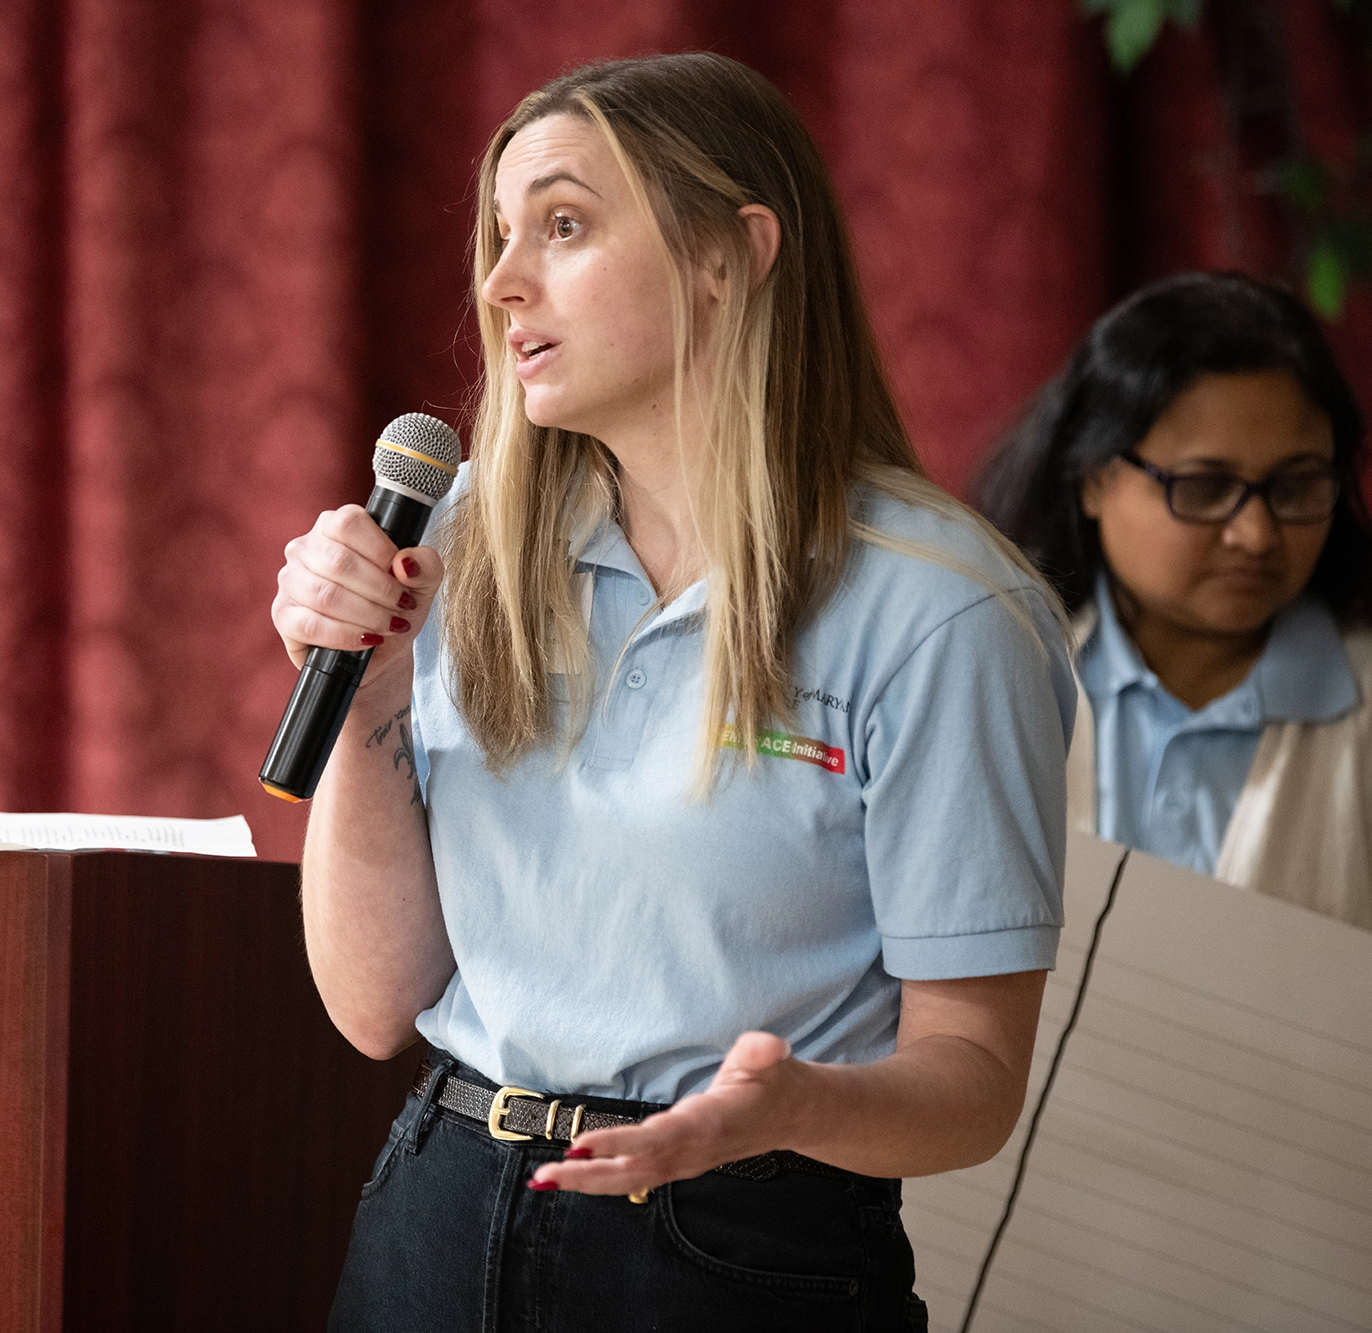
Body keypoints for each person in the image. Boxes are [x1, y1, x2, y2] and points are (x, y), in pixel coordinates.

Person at [273, 54, 1075, 1330]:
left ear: (731, 255)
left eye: (565, 224)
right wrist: (367, 667)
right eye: (498, 236)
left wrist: (794, 1105)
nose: (500, 281)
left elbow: (971, 1081)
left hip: (738, 1240)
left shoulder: (941, 612)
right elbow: (374, 1005)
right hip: (438, 1201)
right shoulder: (463, 534)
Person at [974, 270, 1372, 1134]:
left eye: (1298, 485)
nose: (1257, 533)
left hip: (1323, 1222)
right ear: (1093, 478)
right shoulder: (985, 684)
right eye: (1205, 486)